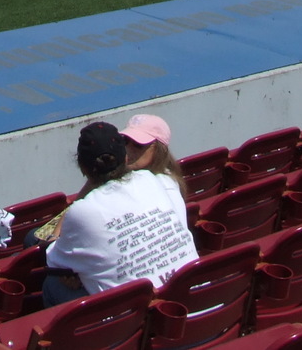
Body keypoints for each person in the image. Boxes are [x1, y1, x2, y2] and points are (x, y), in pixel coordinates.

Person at [42, 121, 197, 305]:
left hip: (135, 319)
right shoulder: (156, 180)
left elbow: (51, 252)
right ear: (125, 158)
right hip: (193, 302)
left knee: (53, 284)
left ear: (83, 167)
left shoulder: (82, 211)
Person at [120, 114, 187, 200]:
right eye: (125, 140)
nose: (127, 149)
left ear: (159, 149)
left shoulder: (166, 185)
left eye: (138, 144)